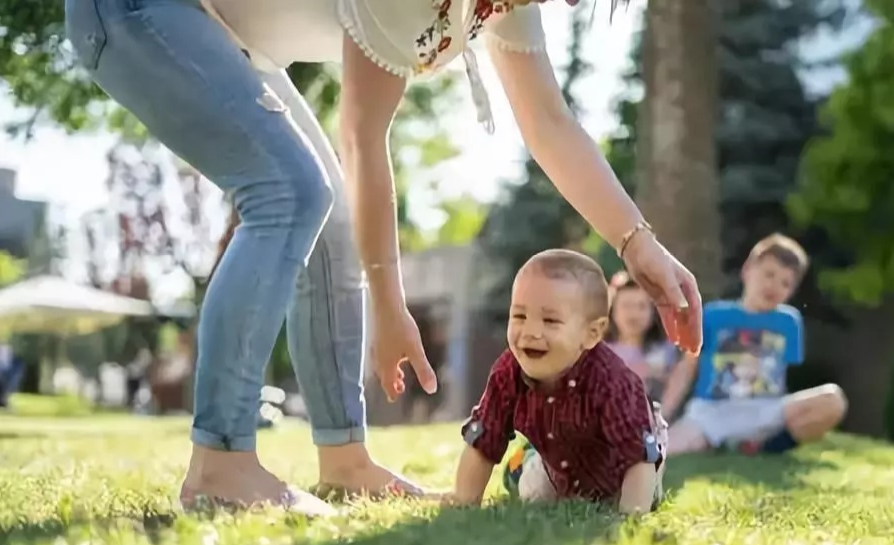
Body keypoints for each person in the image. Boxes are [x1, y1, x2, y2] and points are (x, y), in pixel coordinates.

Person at [63, 0, 701, 516]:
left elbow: (549, 125)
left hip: (228, 36)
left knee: (329, 210)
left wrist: (636, 243)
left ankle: (344, 461)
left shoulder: (509, 3)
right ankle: (219, 466)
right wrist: (390, 307)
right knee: (291, 190)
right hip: (140, 12)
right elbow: (363, 137)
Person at [446, 250, 667, 514]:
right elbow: (483, 438)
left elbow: (638, 457)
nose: (530, 332)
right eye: (519, 317)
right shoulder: (508, 373)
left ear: (592, 333)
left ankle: (531, 460)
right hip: (560, 461)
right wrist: (464, 501)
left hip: (627, 464)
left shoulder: (612, 381)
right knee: (535, 494)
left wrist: (632, 517)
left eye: (550, 321)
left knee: (635, 500)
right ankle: (524, 464)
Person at [660, 234, 848, 456]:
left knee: (833, 399)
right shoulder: (713, 315)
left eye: (785, 283)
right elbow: (687, 368)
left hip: (766, 409)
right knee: (665, 448)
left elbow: (780, 376)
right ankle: (720, 441)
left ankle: (763, 446)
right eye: (769, 274)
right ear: (747, 270)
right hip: (713, 412)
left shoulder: (789, 322)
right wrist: (663, 415)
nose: (774, 286)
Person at [605, 271, 681, 401]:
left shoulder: (665, 350)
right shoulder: (600, 351)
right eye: (626, 306)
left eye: (642, 307)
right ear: (612, 310)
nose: (634, 314)